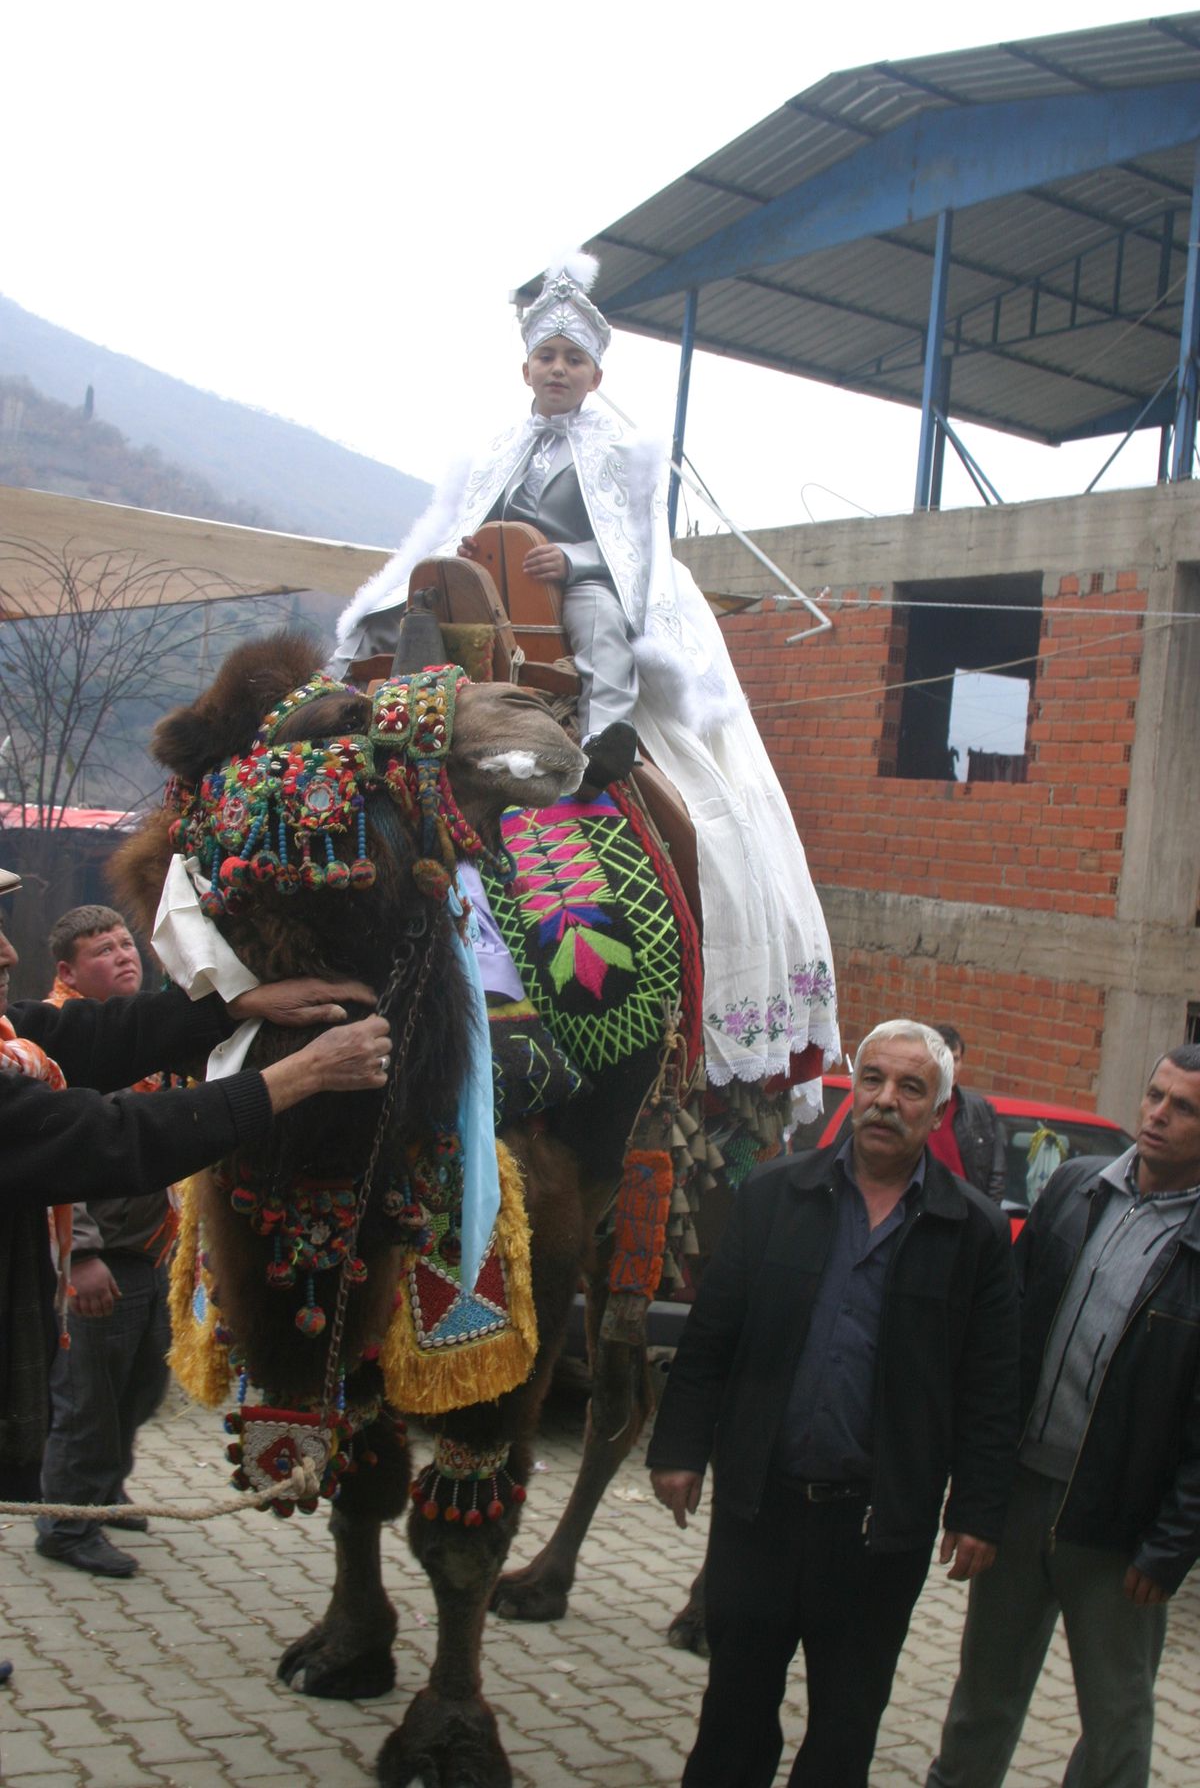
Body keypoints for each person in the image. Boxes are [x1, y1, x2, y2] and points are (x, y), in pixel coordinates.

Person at [328, 253, 840, 1100]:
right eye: (546, 357)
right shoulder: (498, 449)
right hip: (495, 597)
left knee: (603, 620)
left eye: (574, 359)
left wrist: (567, 557)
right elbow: (459, 524)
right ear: (525, 367)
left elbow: (636, 544)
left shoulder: (620, 452)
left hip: (580, 585)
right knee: (400, 616)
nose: (559, 370)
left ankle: (603, 734)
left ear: (596, 374)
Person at [648, 1019, 1019, 1788]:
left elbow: (990, 1385)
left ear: (939, 1109)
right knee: (735, 1712)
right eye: (875, 1079)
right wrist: (680, 1449)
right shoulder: (777, 1195)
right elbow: (714, 1334)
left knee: (846, 1724)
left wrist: (978, 1509)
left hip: (878, 1531)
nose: (886, 1100)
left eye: (910, 1088)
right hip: (759, 1511)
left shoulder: (972, 1232)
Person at [0, 869, 391, 1504]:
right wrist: (305, 1073)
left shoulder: (10, 1040)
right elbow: (110, 1138)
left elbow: (87, 1037)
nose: (9, 951)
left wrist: (233, 1007)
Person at [927, 1043, 1200, 1788]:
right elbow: (1004, 1347)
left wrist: (1170, 1547)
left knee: (1116, 1725)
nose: (1158, 1116)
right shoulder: (1078, 1189)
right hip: (1017, 1501)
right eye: (1155, 1097)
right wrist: (978, 1492)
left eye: (1184, 1109)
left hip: (1119, 1533)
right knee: (982, 1700)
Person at [35, 906, 178, 1577]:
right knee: (87, 1400)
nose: (124, 956)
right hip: (96, 1257)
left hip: (147, 1250)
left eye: (128, 944)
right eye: (102, 951)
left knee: (139, 1390)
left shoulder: (147, 1035)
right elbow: (52, 1159)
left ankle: (105, 1491)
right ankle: (67, 1523)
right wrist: (82, 1254)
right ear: (67, 972)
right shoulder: (57, 1050)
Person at [930, 1021, 1006, 1201]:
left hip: (967, 1212)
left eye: (955, 1059)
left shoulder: (980, 1110)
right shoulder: (912, 1106)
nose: (951, 1066)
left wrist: (986, 1215)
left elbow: (997, 1174)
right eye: (943, 1058)